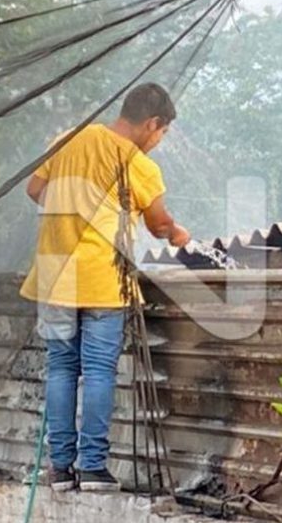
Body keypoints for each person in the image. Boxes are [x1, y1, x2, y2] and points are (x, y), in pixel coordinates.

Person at [20, 83, 190, 492]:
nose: (158, 143)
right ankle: (93, 467)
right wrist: (176, 233)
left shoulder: (69, 138)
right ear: (152, 123)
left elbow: (34, 189)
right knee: (97, 371)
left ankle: (61, 469)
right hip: (102, 280)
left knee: (61, 369)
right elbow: (157, 221)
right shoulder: (137, 162)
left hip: (54, 273)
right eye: (162, 134)